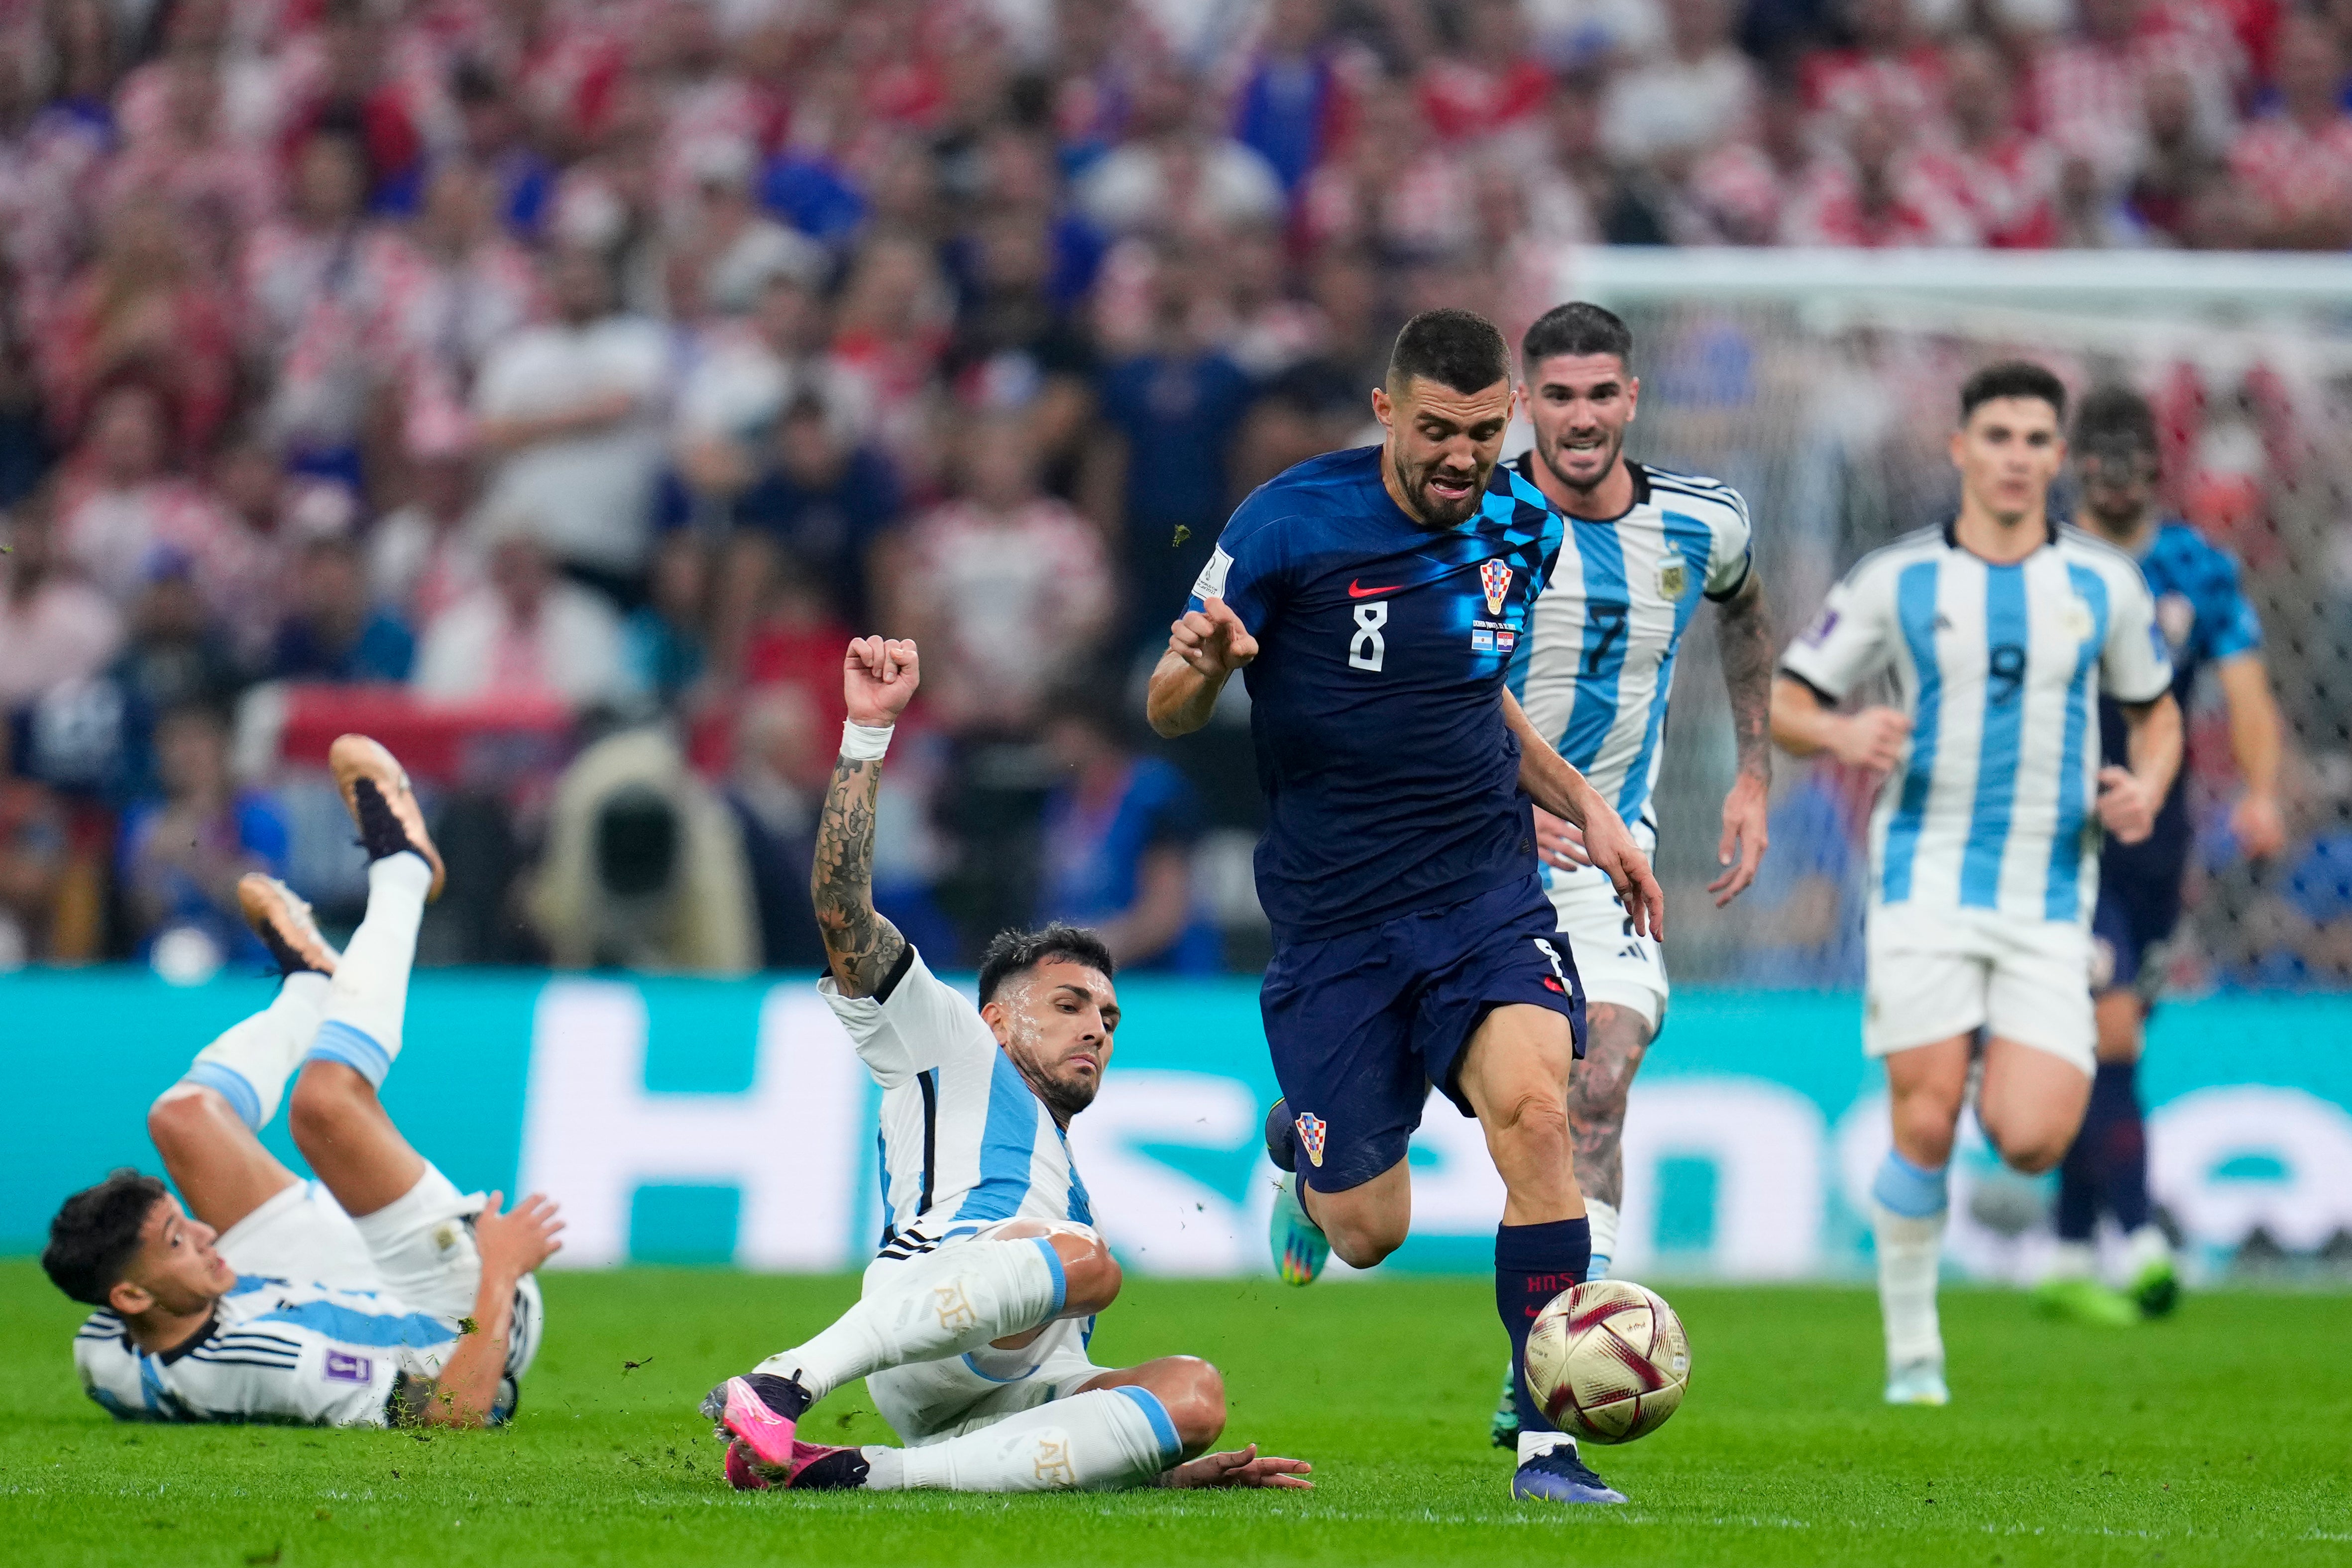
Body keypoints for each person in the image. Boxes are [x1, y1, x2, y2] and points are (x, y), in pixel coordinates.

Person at [1145, 308, 1664, 1506]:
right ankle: (1304, 1148)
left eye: (1483, 434)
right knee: (1371, 1228)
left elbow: (1476, 691)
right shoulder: (1286, 521)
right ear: (1386, 411)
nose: (1459, 458)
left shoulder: (1523, 521)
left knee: (1539, 1115)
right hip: (1335, 924)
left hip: (1481, 892)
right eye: (1436, 430)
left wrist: (1581, 802)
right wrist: (1212, 664)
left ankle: (1547, 1447)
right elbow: (1167, 701)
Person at [699, 636, 1311, 1497]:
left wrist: (1144, 1462)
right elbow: (841, 909)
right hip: (922, 1317)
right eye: (1068, 1005)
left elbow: (1091, 1390)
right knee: (1090, 1264)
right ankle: (783, 1380)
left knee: (1192, 1393)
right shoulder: (950, 1042)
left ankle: (861, 1473)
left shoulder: (1064, 1178)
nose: (1096, 1027)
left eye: (1107, 1015)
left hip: (1004, 1389)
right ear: (998, 1015)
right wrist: (867, 737)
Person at [1771, 362, 2183, 1407]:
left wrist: (2146, 785)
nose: (2013, 456)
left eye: (2033, 439)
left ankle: (1992, 1045)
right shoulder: (1894, 579)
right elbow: (1786, 699)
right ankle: (1913, 1355)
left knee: (2033, 1136)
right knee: (1921, 1120)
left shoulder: (2102, 585)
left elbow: (2157, 712)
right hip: (1922, 887)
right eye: (1994, 435)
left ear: (2058, 459)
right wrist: (1840, 728)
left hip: (2051, 897)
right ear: (1959, 448)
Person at [45, 734, 564, 1426]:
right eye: (178, 1241)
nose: (206, 1232)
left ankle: (312, 988)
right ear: (135, 1297)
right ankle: (405, 868)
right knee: (324, 1105)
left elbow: (135, 1360)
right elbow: (457, 1409)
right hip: (460, 1312)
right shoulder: (279, 1365)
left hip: (308, 1287)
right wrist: (500, 1268)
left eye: (180, 1221)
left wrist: (177, 1262)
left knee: (182, 1118)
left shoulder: (106, 1349)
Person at [1484, 302, 1775, 1449]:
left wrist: (1752, 771)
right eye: (1556, 397)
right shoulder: (1476, 518)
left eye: (1600, 394)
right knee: (1364, 1152)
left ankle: (1544, 1365)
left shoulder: (1703, 521)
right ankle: (1300, 1145)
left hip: (1606, 852)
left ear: (1631, 400)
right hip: (1457, 846)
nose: (1580, 418)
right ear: (1525, 405)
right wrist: (1513, 802)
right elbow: (1424, 680)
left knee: (1595, 1078)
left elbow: (1745, 613)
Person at [2034, 385, 2285, 1325]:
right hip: (2061, 831)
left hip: (2157, 839)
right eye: (2099, 458)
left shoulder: (2196, 569)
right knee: (2110, 1031)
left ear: (2156, 468)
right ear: (2077, 466)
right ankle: (2137, 1238)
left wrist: (2260, 793)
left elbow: (2246, 690)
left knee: (2104, 1041)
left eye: (2135, 459)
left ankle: (2063, 1251)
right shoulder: (2040, 561)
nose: (2118, 475)